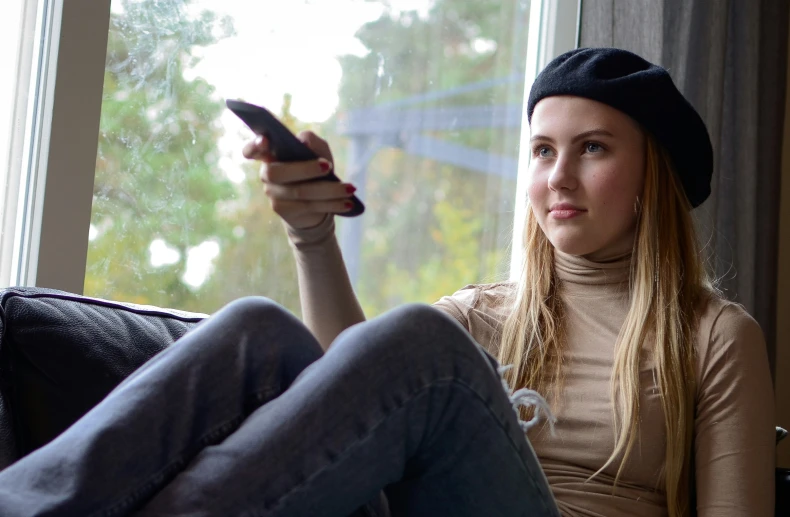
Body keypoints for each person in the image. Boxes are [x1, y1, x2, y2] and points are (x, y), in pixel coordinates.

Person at [0, 48, 775, 517]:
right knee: (257, 331)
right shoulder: (483, 314)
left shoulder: (712, 337)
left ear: (654, 176)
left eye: (593, 148)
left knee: (422, 347)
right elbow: (350, 387)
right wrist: (313, 234)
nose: (558, 175)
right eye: (541, 150)